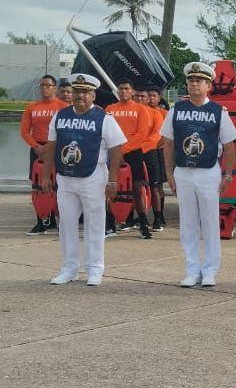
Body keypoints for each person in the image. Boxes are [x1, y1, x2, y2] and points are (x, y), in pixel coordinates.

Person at [42, 74, 126, 286]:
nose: (80, 95)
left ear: (93, 95)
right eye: (77, 91)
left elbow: (116, 149)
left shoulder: (104, 118)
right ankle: (69, 268)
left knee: (95, 223)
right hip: (66, 176)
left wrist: (113, 180)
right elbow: (51, 145)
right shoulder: (60, 116)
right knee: (67, 223)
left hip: (94, 176)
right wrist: (45, 175)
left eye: (85, 92)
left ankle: (95, 268)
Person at [161, 62, 236, 287]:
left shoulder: (218, 112)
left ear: (208, 85)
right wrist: (169, 172)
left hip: (208, 172)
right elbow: (167, 143)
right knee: (188, 222)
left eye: (199, 81)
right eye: (191, 80)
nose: (194, 84)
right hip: (184, 172)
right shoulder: (176, 110)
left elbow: (229, 145)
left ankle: (210, 270)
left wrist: (226, 175)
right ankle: (192, 269)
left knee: (209, 221)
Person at [21, 74, 69, 234]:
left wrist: (51, 148)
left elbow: (67, 130)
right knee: (37, 186)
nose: (45, 88)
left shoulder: (63, 107)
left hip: (56, 148)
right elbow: (25, 132)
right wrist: (36, 146)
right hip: (37, 149)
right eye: (42, 85)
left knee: (58, 185)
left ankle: (60, 220)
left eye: (48, 85)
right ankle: (41, 222)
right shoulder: (32, 107)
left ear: (55, 88)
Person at [106, 79, 154, 239]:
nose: (123, 91)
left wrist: (123, 151)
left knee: (136, 189)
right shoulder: (110, 109)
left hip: (133, 153)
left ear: (132, 91)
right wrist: (116, 152)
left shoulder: (141, 109)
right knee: (110, 188)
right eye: (121, 88)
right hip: (113, 153)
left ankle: (143, 223)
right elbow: (105, 132)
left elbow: (141, 134)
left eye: (127, 88)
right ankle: (110, 224)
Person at [144, 86, 168, 231]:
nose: (152, 98)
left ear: (159, 98)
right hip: (145, 149)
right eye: (150, 95)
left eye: (154, 96)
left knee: (157, 185)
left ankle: (160, 216)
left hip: (159, 151)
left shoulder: (164, 113)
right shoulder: (143, 112)